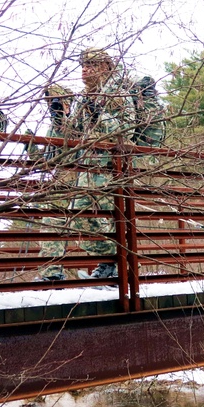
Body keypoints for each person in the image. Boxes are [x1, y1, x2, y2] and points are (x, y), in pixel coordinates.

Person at [69, 47, 136, 281]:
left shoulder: (117, 94)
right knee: (78, 218)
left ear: (105, 67)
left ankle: (115, 269)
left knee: (108, 219)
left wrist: (100, 114)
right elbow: (73, 131)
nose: (84, 70)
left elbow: (128, 128)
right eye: (83, 65)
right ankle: (112, 260)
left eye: (91, 65)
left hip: (109, 168)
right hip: (85, 166)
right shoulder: (83, 96)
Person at [34, 84, 76, 282]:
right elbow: (48, 160)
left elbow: (69, 144)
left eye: (57, 101)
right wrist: (31, 147)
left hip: (73, 180)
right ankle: (52, 273)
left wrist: (60, 115)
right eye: (51, 101)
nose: (54, 105)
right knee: (52, 223)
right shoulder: (54, 124)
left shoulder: (73, 122)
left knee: (53, 222)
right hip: (60, 179)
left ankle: (52, 274)